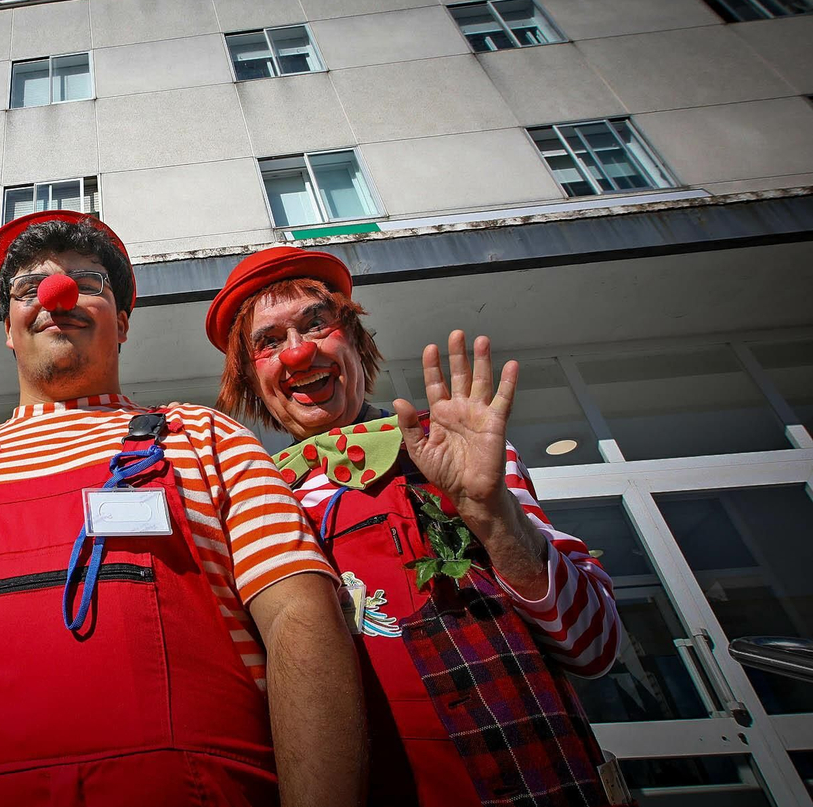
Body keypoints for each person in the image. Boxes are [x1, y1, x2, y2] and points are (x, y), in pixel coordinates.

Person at [0, 210, 367, 807]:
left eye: (87, 282)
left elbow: (300, 615)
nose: (55, 293)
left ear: (121, 324)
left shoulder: (204, 438)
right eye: (27, 288)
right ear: (9, 330)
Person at [204, 246, 626, 807]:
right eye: (269, 341)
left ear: (354, 342)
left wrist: (491, 512)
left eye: (316, 324)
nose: (299, 352)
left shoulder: (453, 450)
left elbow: (594, 648)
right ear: (253, 381)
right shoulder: (252, 502)